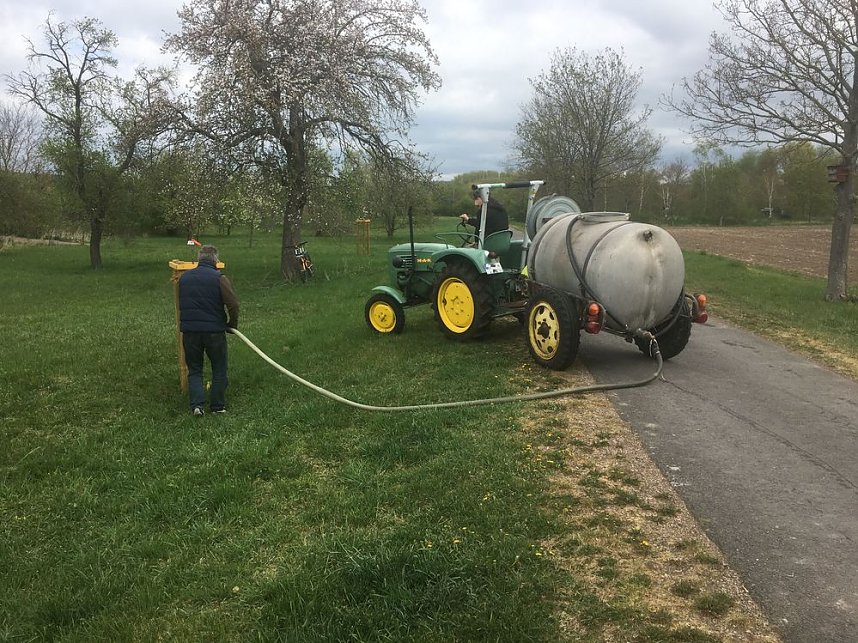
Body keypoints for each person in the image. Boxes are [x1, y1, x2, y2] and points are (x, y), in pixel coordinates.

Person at [178, 245, 240, 416]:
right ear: (215, 260)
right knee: (219, 367)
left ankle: (197, 406)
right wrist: (232, 324)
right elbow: (233, 304)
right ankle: (218, 406)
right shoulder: (219, 278)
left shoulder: (184, 279)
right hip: (214, 331)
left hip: (190, 331)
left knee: (195, 368)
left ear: (199, 259)